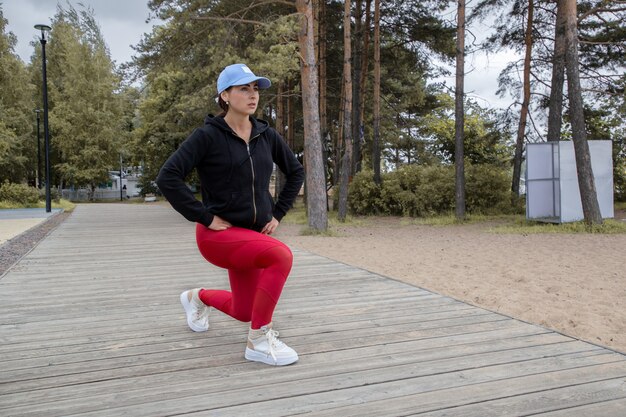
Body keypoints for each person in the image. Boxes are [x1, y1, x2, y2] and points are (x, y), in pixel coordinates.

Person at [156, 63, 305, 366]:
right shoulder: (207, 136)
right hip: (218, 235)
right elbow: (168, 177)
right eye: (243, 89)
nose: (253, 95)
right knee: (281, 256)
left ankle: (197, 297)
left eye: (255, 89)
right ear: (224, 95)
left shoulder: (267, 135)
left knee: (245, 310)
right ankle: (259, 341)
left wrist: (277, 213)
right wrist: (203, 216)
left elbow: (296, 171)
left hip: (251, 236)